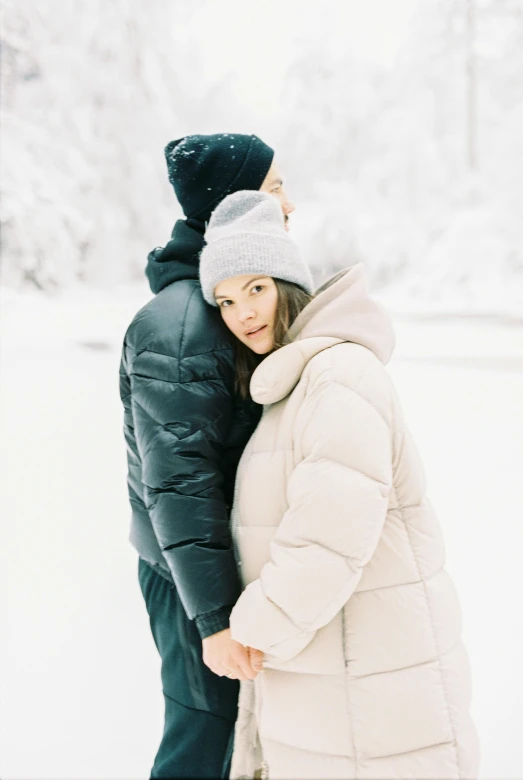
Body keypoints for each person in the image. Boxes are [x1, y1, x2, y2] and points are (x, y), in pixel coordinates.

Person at [198, 190, 480, 780]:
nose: (242, 313)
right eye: (225, 300)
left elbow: (327, 538)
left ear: (289, 285)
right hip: (333, 681)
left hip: (372, 687)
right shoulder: (292, 385)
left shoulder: (338, 375)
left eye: (256, 288)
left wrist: (245, 633)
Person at [119, 134, 294, 779]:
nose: (291, 204)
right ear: (238, 202)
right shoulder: (184, 324)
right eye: (276, 188)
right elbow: (179, 483)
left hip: (211, 572)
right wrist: (215, 619)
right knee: (204, 743)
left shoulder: (220, 300)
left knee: (238, 744)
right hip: (192, 579)